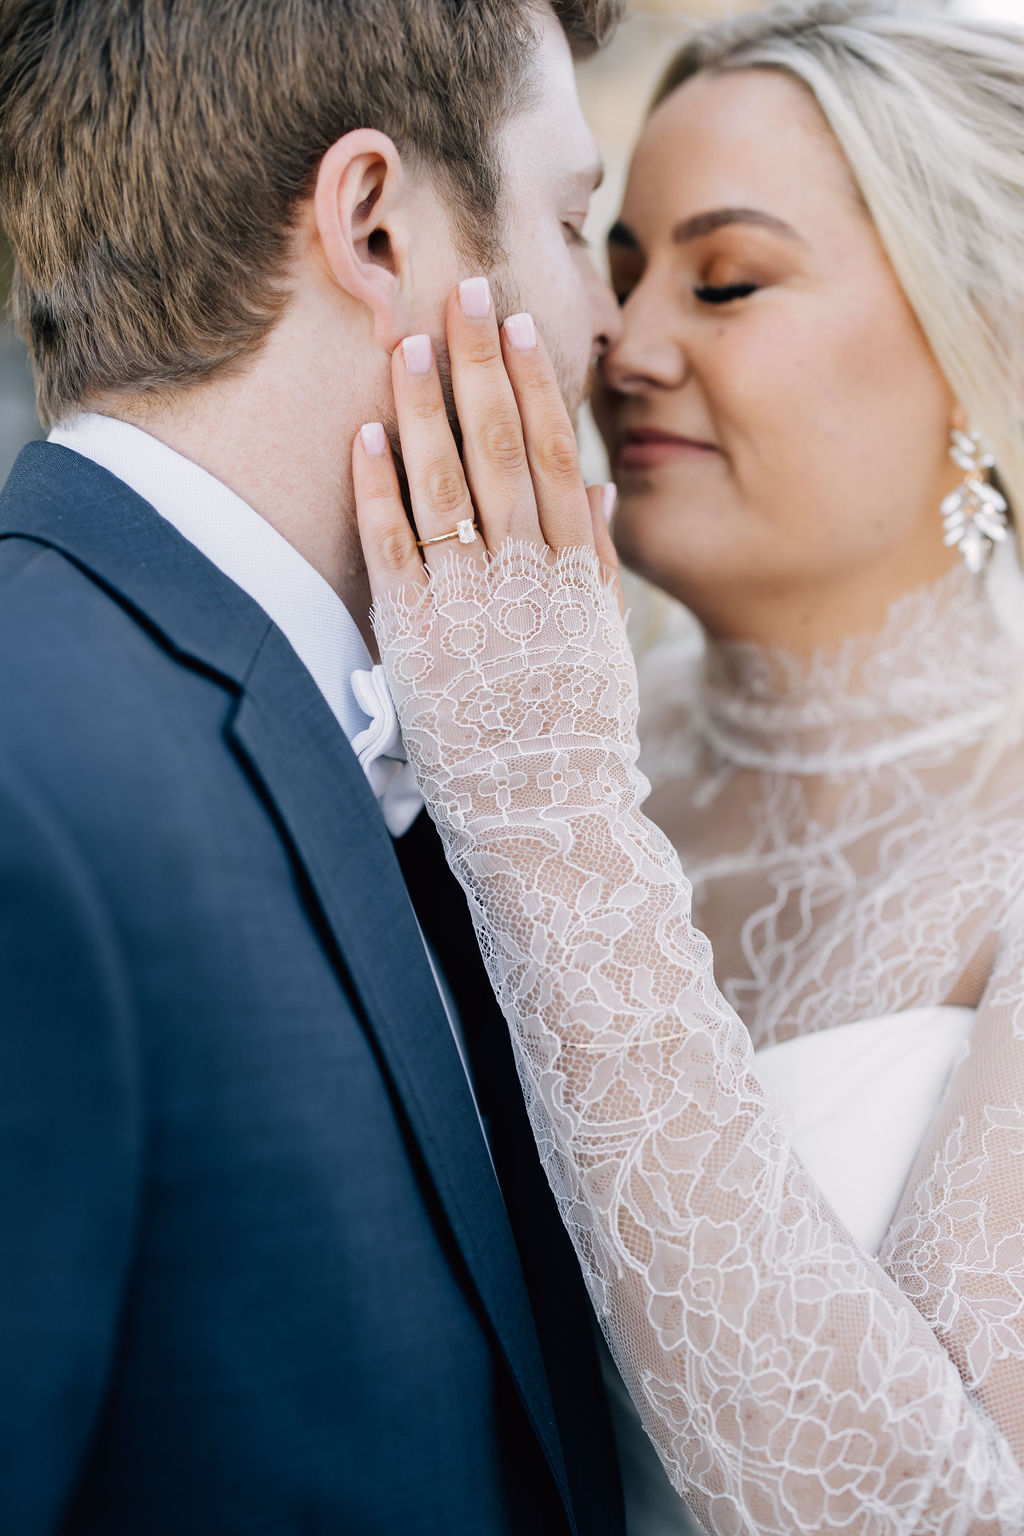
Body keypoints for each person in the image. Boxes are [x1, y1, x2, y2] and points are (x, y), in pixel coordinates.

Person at [352, 1, 1024, 1530]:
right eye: (622, 262)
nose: (621, 345)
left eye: (725, 282)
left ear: (989, 332)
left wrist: (552, 816)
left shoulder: (541, 766)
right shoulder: (509, 709)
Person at [0, 1, 631, 1531]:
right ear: (374, 226)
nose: (610, 321)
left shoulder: (392, 712)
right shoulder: (38, 799)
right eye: (570, 221)